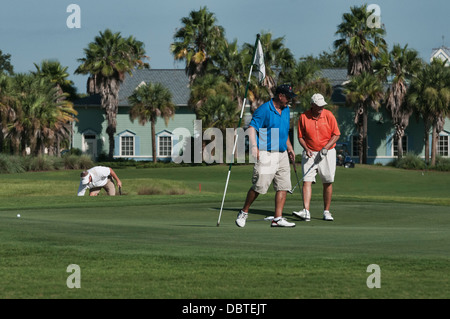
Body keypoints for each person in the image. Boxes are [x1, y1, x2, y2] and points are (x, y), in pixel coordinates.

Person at [235, 84, 297, 228]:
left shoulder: (286, 110)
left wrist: (290, 147)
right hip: (267, 152)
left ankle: (278, 218)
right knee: (259, 186)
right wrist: (254, 147)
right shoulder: (264, 110)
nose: (289, 100)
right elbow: (252, 128)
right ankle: (244, 212)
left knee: (283, 186)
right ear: (280, 96)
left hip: (282, 154)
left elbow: (284, 131)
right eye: (287, 97)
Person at [293, 93, 340, 221]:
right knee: (307, 181)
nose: (321, 108)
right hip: (310, 153)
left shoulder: (328, 115)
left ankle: (326, 211)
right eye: (318, 106)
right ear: (312, 105)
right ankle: (306, 211)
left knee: (327, 181)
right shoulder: (303, 117)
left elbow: (336, 134)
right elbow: (300, 137)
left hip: (328, 152)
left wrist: (325, 148)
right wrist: (306, 149)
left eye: (322, 106)